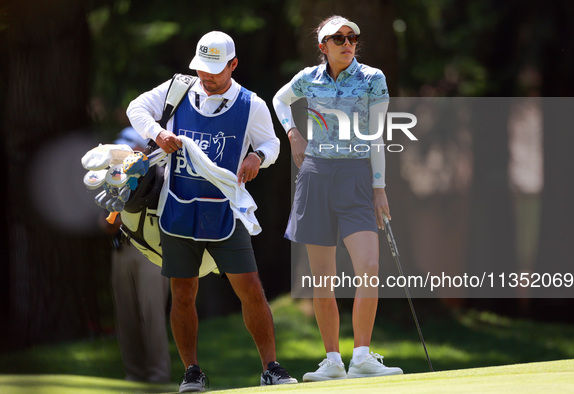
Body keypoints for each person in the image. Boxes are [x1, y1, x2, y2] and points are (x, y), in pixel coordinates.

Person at [126, 31, 297, 392]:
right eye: (202, 67)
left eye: (216, 69)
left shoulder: (252, 104)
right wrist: (157, 134)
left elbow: (271, 143)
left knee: (250, 288)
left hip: (225, 210)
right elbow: (136, 109)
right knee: (183, 291)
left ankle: (271, 368)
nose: (207, 75)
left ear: (233, 65)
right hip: (178, 207)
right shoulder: (178, 89)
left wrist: (257, 157)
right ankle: (192, 372)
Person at [272, 16, 404, 381]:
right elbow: (279, 100)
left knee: (370, 267)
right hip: (315, 175)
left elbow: (376, 137)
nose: (348, 43)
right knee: (322, 279)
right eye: (338, 38)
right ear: (323, 46)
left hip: (357, 177)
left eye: (352, 37)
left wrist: (379, 187)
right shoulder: (308, 78)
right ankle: (332, 361)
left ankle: (361, 355)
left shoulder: (372, 78)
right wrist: (293, 133)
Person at [99, 127, 172, 383]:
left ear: (143, 150)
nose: (123, 155)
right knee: (126, 315)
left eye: (129, 149)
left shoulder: (159, 174)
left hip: (149, 253)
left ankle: (158, 374)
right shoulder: (114, 179)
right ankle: (135, 374)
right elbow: (107, 225)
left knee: (151, 314)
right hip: (122, 250)